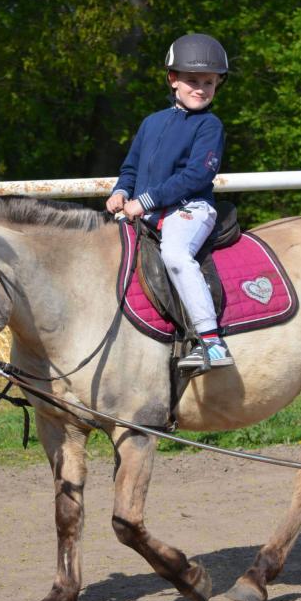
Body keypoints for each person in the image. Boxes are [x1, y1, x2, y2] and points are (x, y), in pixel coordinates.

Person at [106, 33, 234, 370]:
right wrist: (121, 191)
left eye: (209, 82)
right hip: (145, 212)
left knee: (176, 256)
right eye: (192, 80)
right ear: (173, 80)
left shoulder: (211, 126)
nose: (201, 88)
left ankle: (211, 342)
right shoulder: (151, 123)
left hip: (190, 210)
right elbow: (131, 167)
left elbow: (197, 176)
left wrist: (144, 201)